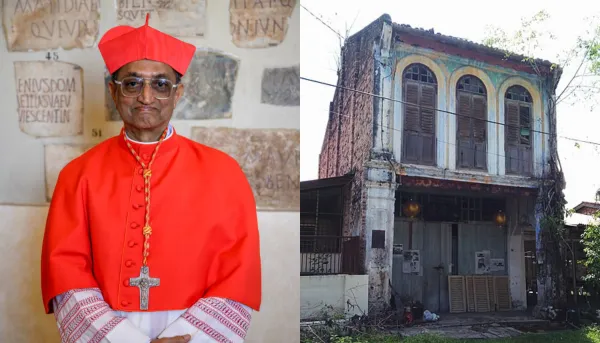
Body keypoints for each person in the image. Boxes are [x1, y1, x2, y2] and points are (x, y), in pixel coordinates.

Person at [40, 14, 262, 343]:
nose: (146, 97)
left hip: (192, 332)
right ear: (113, 92)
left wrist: (190, 337)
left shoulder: (223, 172)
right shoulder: (77, 175)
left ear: (178, 93)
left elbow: (238, 273)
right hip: (108, 333)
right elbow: (65, 271)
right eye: (132, 83)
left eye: (160, 84)